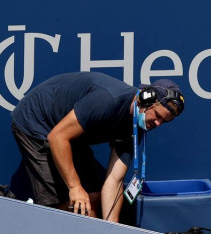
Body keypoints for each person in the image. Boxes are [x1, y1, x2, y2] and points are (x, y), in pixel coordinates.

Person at [10, 71, 184, 222]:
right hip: (38, 123)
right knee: (65, 203)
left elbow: (114, 180)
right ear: (146, 99)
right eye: (158, 116)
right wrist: (74, 187)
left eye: (164, 121)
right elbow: (57, 137)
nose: (158, 123)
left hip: (72, 133)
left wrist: (112, 228)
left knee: (92, 196)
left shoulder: (138, 125)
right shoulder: (107, 100)